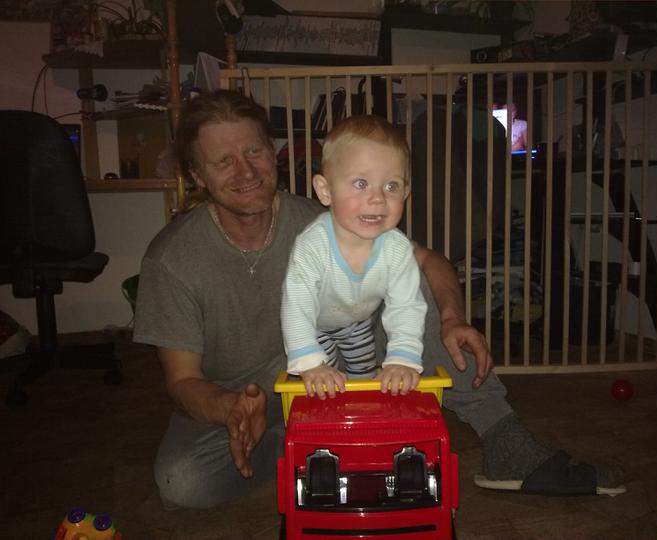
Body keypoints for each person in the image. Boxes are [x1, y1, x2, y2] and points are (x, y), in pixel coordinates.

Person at [133, 90, 625, 510]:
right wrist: (230, 409)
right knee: (182, 482)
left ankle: (504, 441)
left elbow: (429, 260)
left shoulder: (327, 217)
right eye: (223, 161)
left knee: (402, 272)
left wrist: (452, 318)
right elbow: (182, 381)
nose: (245, 171)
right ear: (197, 175)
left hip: (340, 367)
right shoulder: (172, 259)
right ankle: (322, 445)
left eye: (254, 152)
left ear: (273, 152)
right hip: (249, 397)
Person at [282, 115, 426, 399]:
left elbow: (407, 305)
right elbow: (296, 304)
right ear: (325, 191)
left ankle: (363, 415)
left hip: (357, 325)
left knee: (364, 381)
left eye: (392, 186)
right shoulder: (312, 246)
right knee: (324, 387)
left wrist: (402, 357)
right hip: (314, 328)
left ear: (406, 193)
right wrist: (311, 363)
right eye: (361, 183)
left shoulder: (397, 249)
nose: (378, 198)